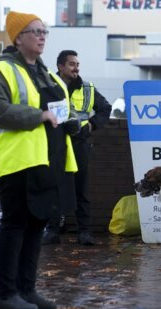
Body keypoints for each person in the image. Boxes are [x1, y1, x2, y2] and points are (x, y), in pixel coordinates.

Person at [0, 11, 80, 309]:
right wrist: (39, 116)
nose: (41, 36)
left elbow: (58, 111)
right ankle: (4, 293)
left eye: (44, 31)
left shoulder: (45, 74)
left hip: (46, 161)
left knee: (37, 225)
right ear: (18, 37)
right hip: (16, 160)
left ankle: (26, 290)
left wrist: (72, 122)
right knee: (14, 224)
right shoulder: (1, 70)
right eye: (34, 31)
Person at [42, 50, 111, 246]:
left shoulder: (87, 88)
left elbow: (105, 108)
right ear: (60, 66)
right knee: (54, 187)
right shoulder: (49, 87)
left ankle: (84, 232)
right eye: (72, 64)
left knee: (81, 189)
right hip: (56, 145)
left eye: (77, 64)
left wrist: (91, 125)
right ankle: (52, 230)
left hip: (80, 144)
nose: (76, 68)